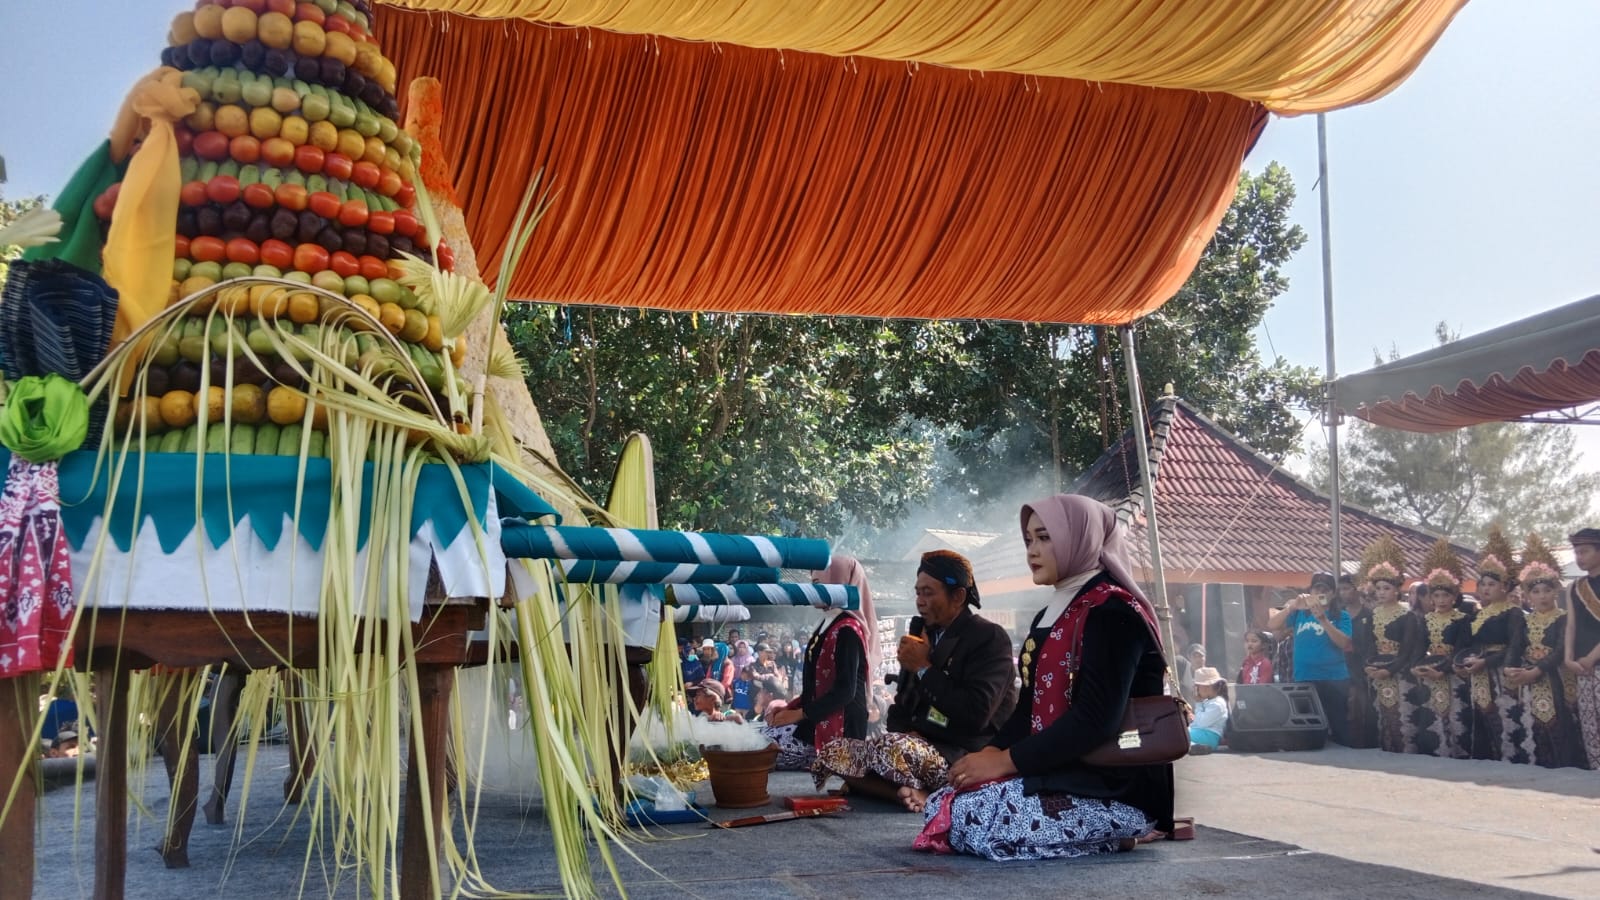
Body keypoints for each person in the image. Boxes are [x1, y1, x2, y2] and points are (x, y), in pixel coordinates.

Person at [913, 494, 1173, 860]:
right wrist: (988, 753)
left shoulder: (1113, 612)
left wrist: (1004, 762)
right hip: (1058, 771)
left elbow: (1096, 720)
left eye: (1046, 538)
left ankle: (1123, 833)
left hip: (1112, 785)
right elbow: (1027, 709)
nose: (1032, 550)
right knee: (946, 801)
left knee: (975, 816)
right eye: (1029, 540)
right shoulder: (1049, 614)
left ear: (1078, 539)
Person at [813, 550, 1015, 807]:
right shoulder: (921, 632)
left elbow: (976, 713)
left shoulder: (989, 637)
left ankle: (911, 790)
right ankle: (905, 791)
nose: (920, 601)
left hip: (963, 751)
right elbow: (902, 704)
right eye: (918, 592)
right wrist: (905, 731)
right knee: (833, 751)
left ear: (958, 596)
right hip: (914, 744)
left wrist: (923, 667)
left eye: (929, 593)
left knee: (892, 750)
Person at [762, 554, 875, 771]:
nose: (812, 590)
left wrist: (797, 714)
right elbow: (814, 689)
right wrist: (790, 708)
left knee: (762, 748)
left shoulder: (848, 630)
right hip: (817, 718)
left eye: (818, 584)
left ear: (838, 583)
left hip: (842, 726)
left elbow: (845, 692)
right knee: (762, 734)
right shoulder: (826, 625)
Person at [1452, 555, 1532, 762]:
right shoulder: (1477, 615)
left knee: (1505, 718)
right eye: (1483, 584)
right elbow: (1467, 645)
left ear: (1504, 587)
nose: (1486, 588)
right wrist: (1460, 663)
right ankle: (1488, 760)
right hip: (1478, 673)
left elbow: (1516, 645)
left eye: (1492, 584)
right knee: (1482, 717)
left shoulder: (1513, 613)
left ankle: (1511, 762)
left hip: (1501, 673)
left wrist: (1487, 662)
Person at [1504, 562, 1584, 768]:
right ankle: (1540, 767)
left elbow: (1560, 650)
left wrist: (1537, 670)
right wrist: (1508, 668)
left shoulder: (1564, 618)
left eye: (1547, 591)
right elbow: (1515, 646)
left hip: (1557, 677)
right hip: (1529, 679)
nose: (1542, 596)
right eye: (1536, 592)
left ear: (1556, 592)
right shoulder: (1525, 620)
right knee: (1533, 724)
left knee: (1561, 722)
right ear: (1528, 596)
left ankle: (1567, 766)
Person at [1266, 572, 1354, 745]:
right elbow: (1272, 625)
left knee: (1339, 727)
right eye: (1316, 588)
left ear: (1333, 594)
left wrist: (1323, 620)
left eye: (1325, 590)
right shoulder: (1300, 614)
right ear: (1310, 591)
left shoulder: (1341, 615)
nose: (1320, 593)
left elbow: (1344, 643)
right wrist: (1292, 607)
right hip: (1304, 677)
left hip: (1334, 678)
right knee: (1308, 727)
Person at [1357, 563, 1423, 754]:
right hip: (1378, 671)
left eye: (1387, 588)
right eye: (1378, 589)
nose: (1382, 593)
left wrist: (1390, 670)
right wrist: (1368, 666)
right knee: (1383, 715)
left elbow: (1408, 650)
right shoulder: (1373, 615)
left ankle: (1408, 755)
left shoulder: (1407, 615)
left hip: (1400, 672)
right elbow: (1368, 645)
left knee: (1403, 715)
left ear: (1397, 590)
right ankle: (1388, 753)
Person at [1408, 569, 1473, 759]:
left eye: (1446, 595)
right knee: (1431, 712)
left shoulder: (1463, 620)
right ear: (1430, 598)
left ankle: (1458, 753)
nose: (1441, 600)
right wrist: (1415, 667)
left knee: (1456, 712)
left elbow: (1461, 650)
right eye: (1436, 595)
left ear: (1454, 596)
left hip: (1454, 674)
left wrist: (1443, 671)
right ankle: (1434, 752)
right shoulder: (1425, 620)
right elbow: (1419, 648)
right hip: (1430, 673)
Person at [1564, 527, 1600, 768]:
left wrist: (1591, 657)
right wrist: (1569, 658)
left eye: (1584, 551)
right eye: (1577, 552)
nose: (1579, 557)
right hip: (1581, 668)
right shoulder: (1574, 587)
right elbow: (1571, 626)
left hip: (1593, 661)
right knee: (1590, 728)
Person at [1188, 668, 1229, 753]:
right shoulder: (1208, 701)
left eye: (1198, 686)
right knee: (1180, 732)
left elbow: (1202, 723)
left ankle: (1192, 745)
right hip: (1202, 733)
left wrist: (1198, 703)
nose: (1197, 690)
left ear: (1207, 687)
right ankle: (1192, 746)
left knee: (1179, 735)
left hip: (1209, 736)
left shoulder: (1218, 704)